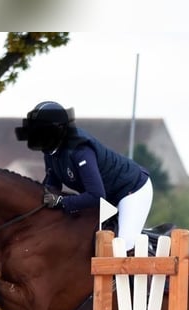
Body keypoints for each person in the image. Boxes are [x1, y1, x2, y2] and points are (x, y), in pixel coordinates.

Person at [15, 101, 153, 252]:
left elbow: (96, 195)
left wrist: (62, 201)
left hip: (132, 190)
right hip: (108, 196)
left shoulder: (80, 150)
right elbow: (52, 186)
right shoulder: (51, 151)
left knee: (123, 246)